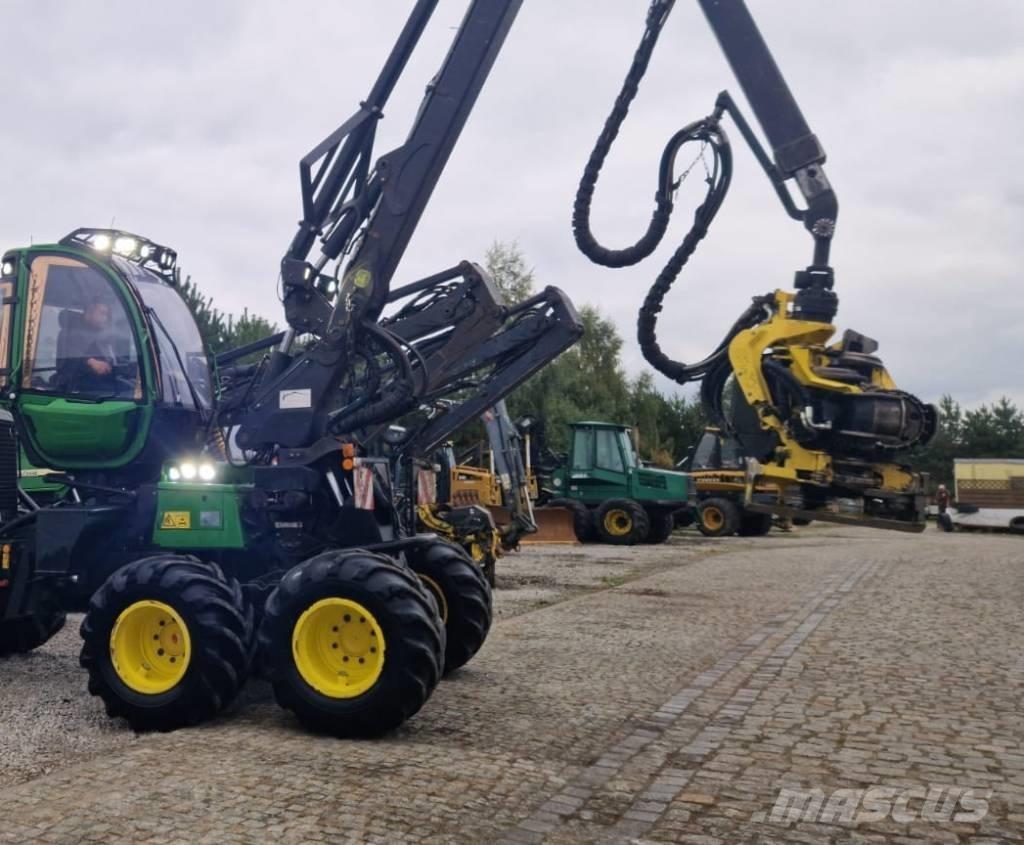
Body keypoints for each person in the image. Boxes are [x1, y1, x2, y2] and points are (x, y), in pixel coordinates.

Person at [59, 300, 118, 395]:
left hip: (100, 384)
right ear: (89, 311)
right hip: (78, 387)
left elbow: (112, 359)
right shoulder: (72, 333)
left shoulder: (100, 335)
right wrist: (91, 362)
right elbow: (71, 357)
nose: (105, 318)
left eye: (107, 315)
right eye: (102, 313)